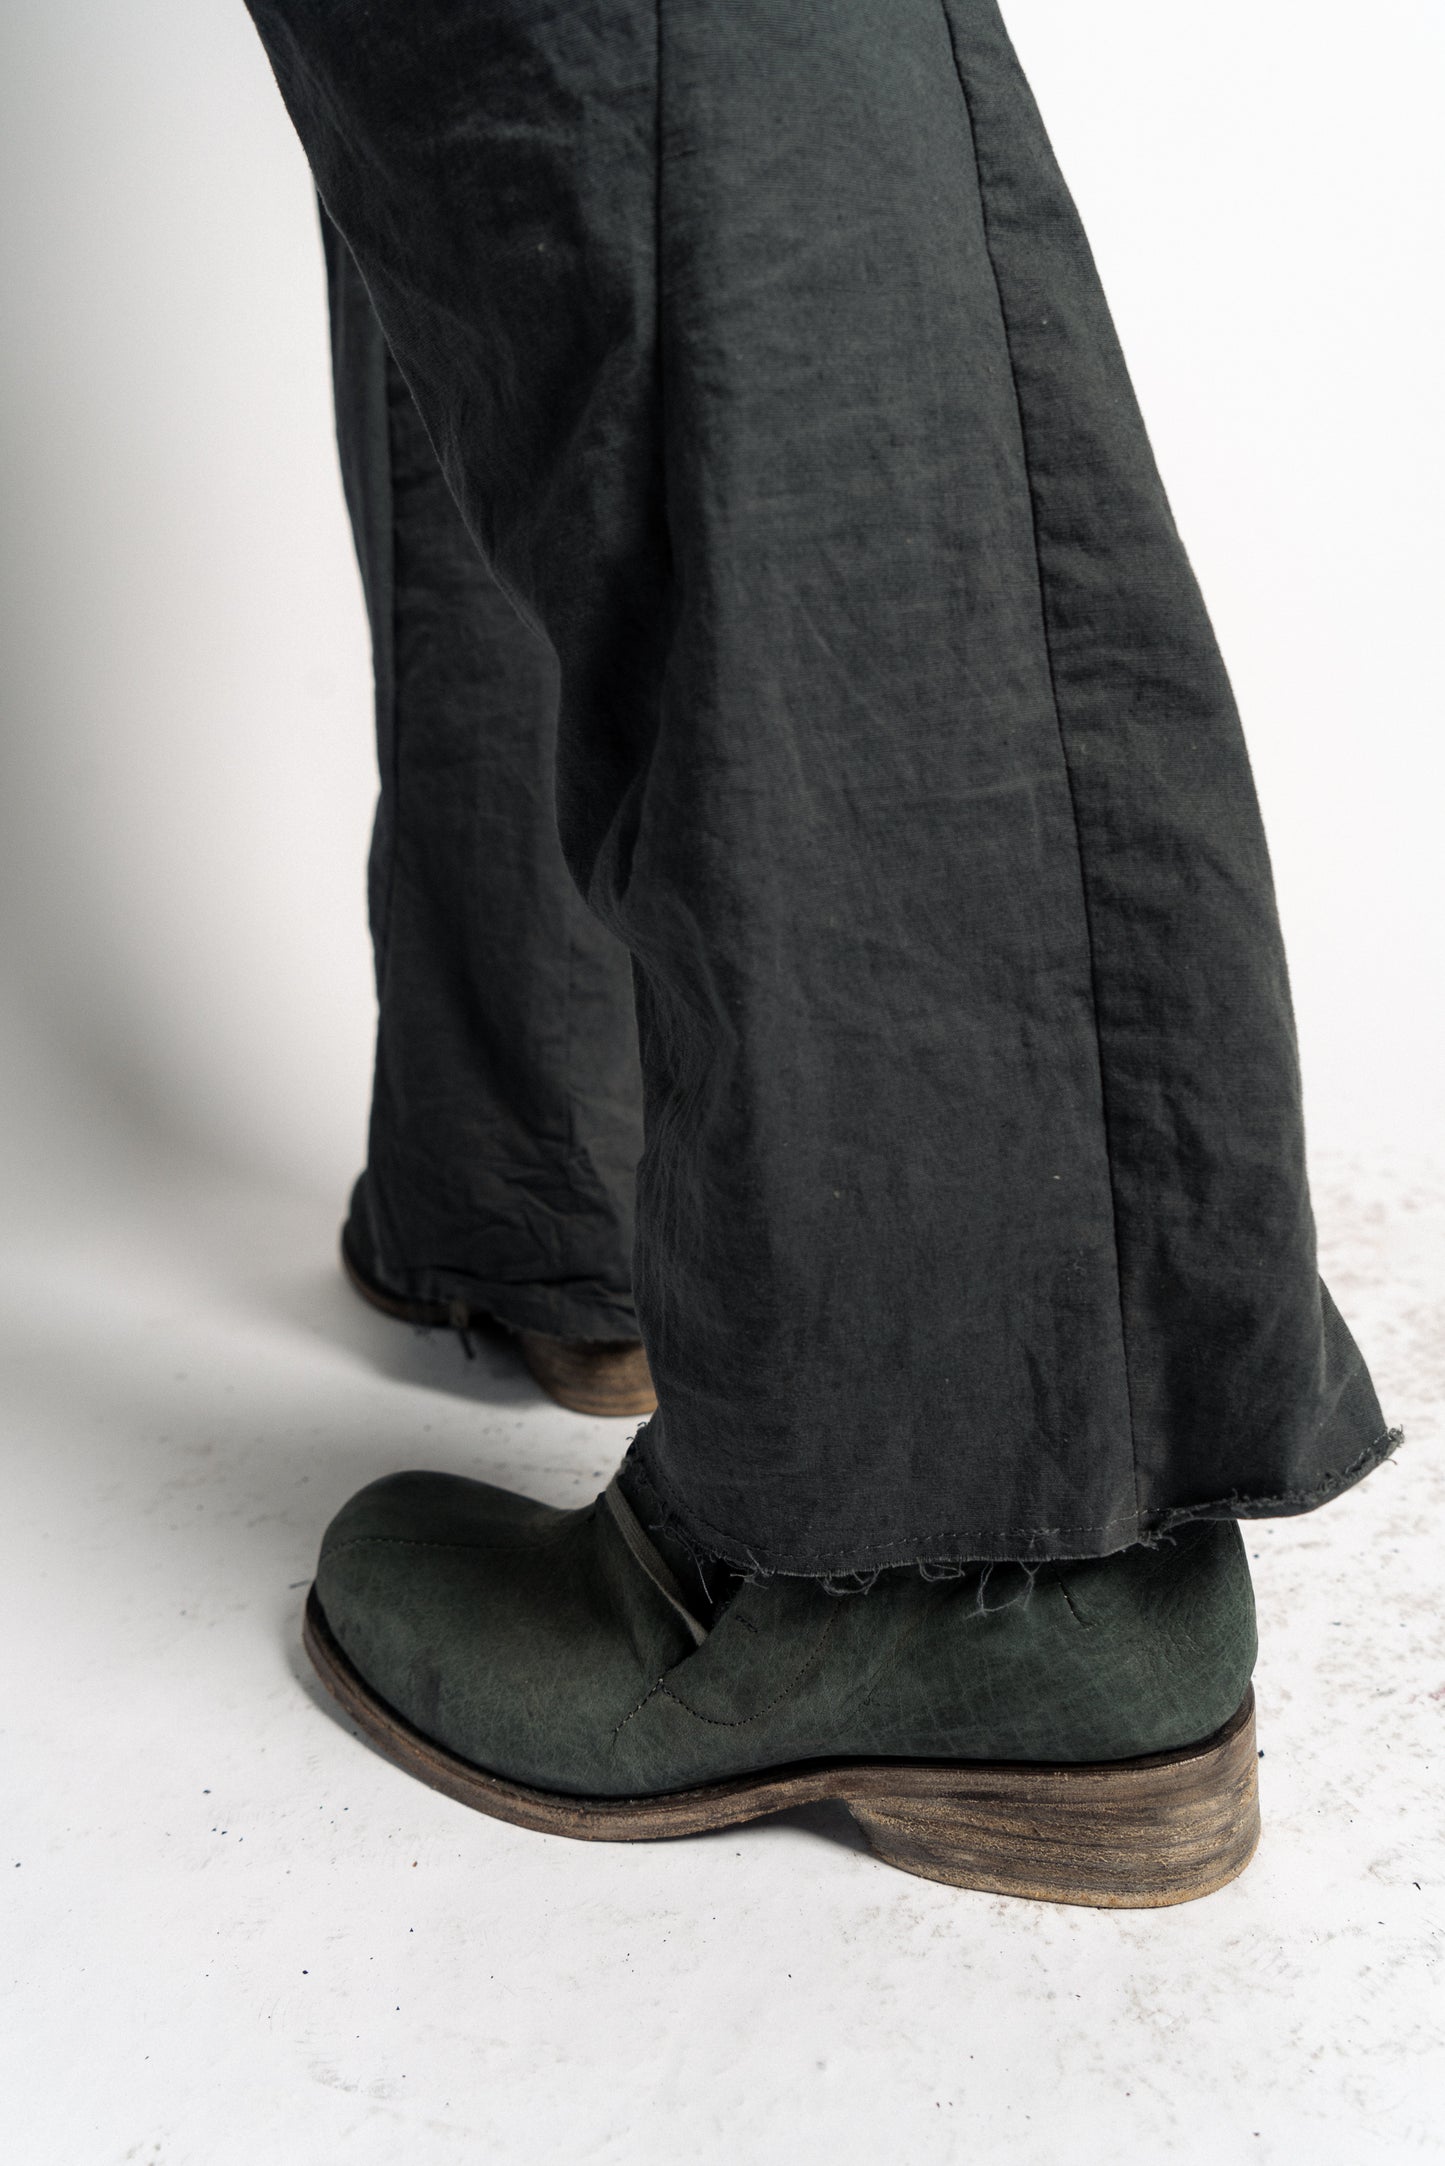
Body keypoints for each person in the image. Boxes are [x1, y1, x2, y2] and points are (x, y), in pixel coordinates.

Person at [243, 0, 1392, 1906]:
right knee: (466, 81)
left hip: (971, 1511)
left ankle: (972, 1520)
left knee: (630, 45)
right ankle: (570, 1181)